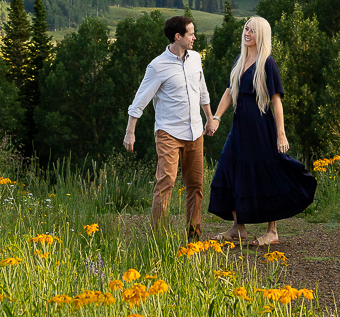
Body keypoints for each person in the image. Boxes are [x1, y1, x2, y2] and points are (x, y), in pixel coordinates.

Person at [207, 15, 316, 246]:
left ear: (262, 35)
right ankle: (238, 228)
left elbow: (276, 101)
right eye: (246, 29)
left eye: (253, 31)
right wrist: (216, 117)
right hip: (239, 130)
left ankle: (272, 231)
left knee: (267, 174)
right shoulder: (240, 59)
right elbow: (229, 92)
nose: (247, 33)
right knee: (228, 170)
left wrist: (281, 134)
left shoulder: (267, 63)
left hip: (261, 130)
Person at [123, 16, 212, 242]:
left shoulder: (196, 59)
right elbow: (140, 100)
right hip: (168, 133)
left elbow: (202, 91)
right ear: (177, 37)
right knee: (166, 183)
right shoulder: (157, 66)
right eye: (191, 33)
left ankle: (194, 237)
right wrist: (130, 131)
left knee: (195, 186)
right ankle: (159, 240)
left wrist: (210, 118)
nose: (195, 37)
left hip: (195, 131)